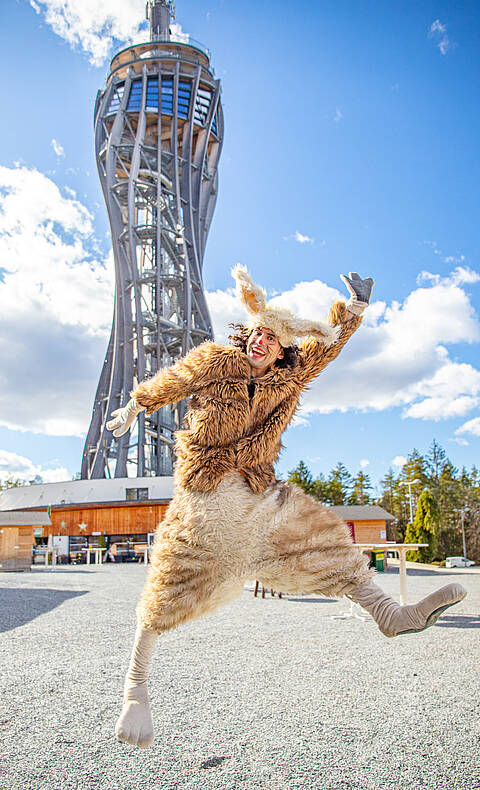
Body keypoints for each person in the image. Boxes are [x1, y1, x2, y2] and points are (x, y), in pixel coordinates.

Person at [107, 266, 466, 748]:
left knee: (325, 537)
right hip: (208, 489)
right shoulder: (215, 361)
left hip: (258, 488)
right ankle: (136, 688)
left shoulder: (289, 381)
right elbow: (176, 379)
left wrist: (354, 308)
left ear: (282, 350)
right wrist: (136, 404)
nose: (260, 342)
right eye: (256, 333)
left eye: (270, 338)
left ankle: (389, 614)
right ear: (247, 337)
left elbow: (328, 346)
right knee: (169, 587)